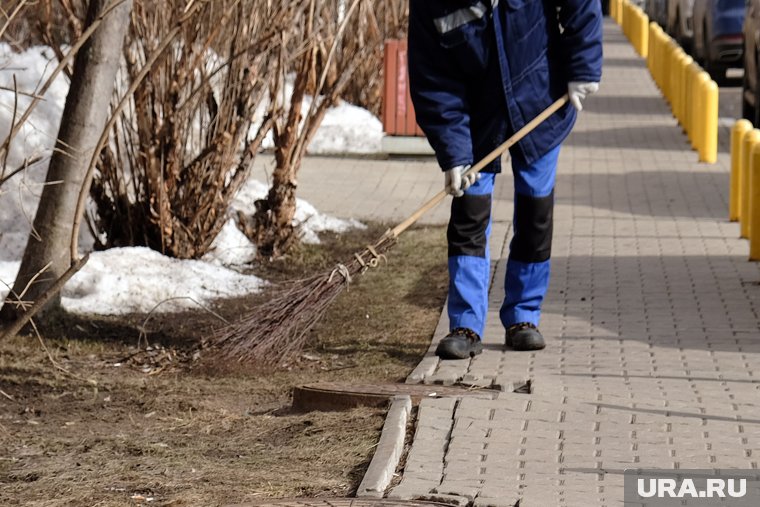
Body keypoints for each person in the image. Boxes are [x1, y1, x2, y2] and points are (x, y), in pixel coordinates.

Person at [408, 0, 603, 359]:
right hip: (476, 118)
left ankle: (523, 316)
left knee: (535, 212)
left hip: (540, 100)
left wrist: (583, 66)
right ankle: (465, 325)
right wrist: (453, 152)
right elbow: (432, 79)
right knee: (469, 213)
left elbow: (580, 5)